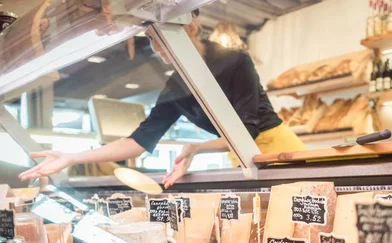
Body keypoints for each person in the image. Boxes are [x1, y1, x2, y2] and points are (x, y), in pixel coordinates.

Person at [19, 13, 305, 187]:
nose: (156, 48)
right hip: (240, 155)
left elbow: (248, 131)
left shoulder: (235, 62)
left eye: (160, 38)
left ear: (189, 26)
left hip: (277, 148)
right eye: (151, 40)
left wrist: (195, 147)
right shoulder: (175, 87)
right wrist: (71, 157)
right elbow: (137, 142)